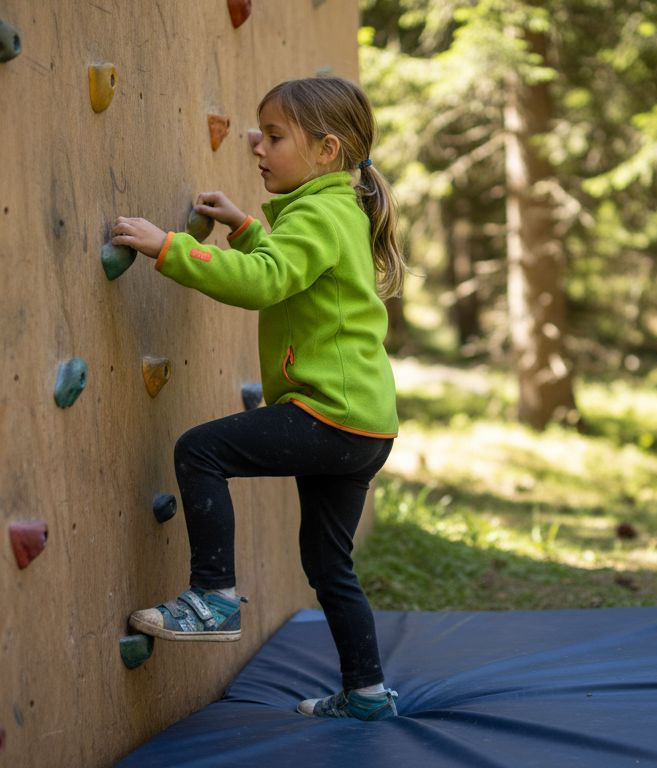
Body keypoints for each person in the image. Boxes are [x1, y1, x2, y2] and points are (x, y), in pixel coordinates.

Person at [109, 76, 404, 720]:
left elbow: (268, 283)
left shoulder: (320, 214)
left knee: (200, 451)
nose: (257, 147)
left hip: (330, 415)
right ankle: (367, 693)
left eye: (274, 136)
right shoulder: (333, 209)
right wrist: (244, 228)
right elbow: (291, 271)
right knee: (328, 564)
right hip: (366, 428)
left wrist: (170, 247)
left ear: (327, 150)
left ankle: (212, 596)